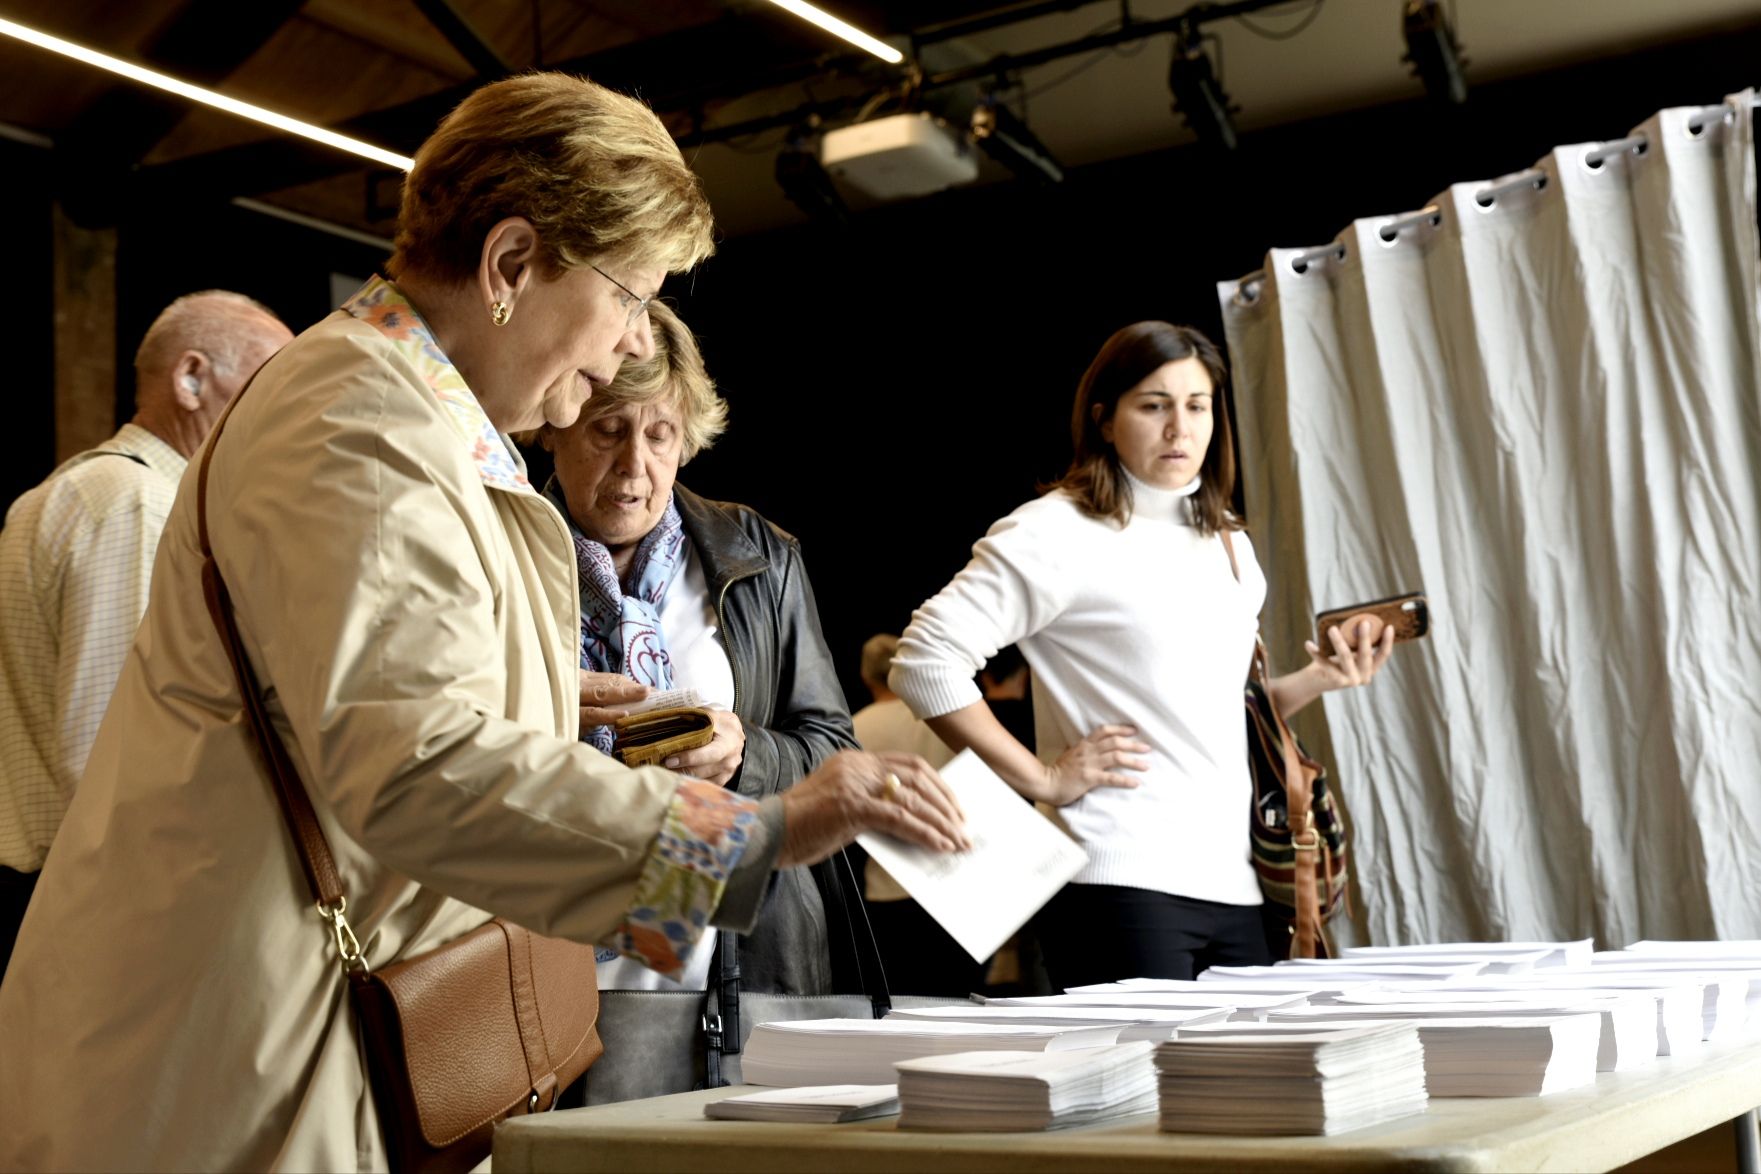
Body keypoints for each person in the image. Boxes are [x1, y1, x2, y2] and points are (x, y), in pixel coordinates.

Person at [0, 73, 964, 1172]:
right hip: (237, 1056)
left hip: (292, 1030)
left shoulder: (398, 413)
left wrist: (544, 696)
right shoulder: (358, 426)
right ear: (511, 265)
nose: (627, 344)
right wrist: (756, 835)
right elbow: (415, 767)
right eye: (629, 298)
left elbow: (354, 704)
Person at [890, 321, 1393, 989]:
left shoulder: (1227, 545)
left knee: (1244, 1091)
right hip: (1115, 880)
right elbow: (924, 661)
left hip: (1237, 881)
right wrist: (1042, 780)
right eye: (1153, 405)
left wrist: (1317, 678)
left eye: (1196, 406)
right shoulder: (1055, 531)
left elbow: (1216, 707)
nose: (1178, 430)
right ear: (1103, 420)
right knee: (1145, 1095)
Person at [535, 299, 858, 995]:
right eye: (607, 431)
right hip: (552, 953)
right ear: (552, 429)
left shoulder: (758, 555)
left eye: (660, 436)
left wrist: (744, 756)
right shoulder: (498, 553)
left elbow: (832, 747)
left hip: (735, 959)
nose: (635, 465)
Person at [0, 290, 291, 977]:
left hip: (66, 890)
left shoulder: (93, 491)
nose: (286, 415)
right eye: (269, 385)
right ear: (190, 379)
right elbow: (117, 747)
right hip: (104, 901)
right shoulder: (138, 504)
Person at [849, 633, 985, 995]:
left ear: (866, 678)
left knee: (904, 1004)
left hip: (888, 886)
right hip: (959, 879)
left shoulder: (853, 728)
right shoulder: (943, 717)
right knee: (963, 1004)